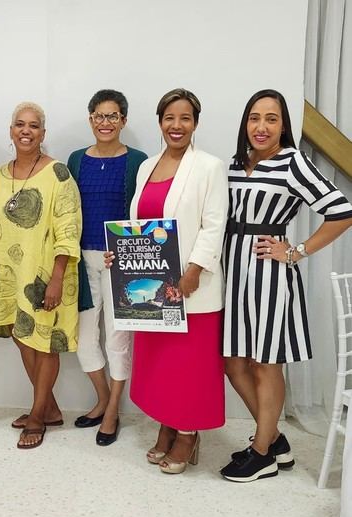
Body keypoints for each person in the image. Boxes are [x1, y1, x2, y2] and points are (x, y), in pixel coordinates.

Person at [220, 89, 352, 482]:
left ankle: (262, 453)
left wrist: (295, 251)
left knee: (264, 362)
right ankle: (273, 436)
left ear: (283, 125)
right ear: (245, 123)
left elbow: (341, 211)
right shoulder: (234, 163)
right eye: (254, 118)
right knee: (232, 361)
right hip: (233, 273)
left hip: (269, 274)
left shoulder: (292, 162)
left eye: (271, 119)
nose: (261, 127)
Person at [105, 88, 228, 473]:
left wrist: (193, 271)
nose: (177, 125)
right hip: (155, 293)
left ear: (195, 123)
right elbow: (141, 226)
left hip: (193, 288)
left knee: (190, 367)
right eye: (169, 118)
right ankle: (166, 424)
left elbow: (213, 225)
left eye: (185, 118)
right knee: (160, 366)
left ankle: (188, 434)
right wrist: (121, 255)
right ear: (159, 122)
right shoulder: (147, 167)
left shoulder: (209, 166)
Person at [0, 102, 82, 449]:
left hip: (45, 274)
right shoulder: (1, 173)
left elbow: (68, 229)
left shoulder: (58, 173)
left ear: (43, 133)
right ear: (10, 130)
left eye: (34, 126)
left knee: (45, 343)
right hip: (10, 274)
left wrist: (56, 278)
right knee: (22, 336)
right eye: (19, 124)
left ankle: (38, 414)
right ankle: (50, 407)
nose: (26, 131)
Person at [67, 89, 147, 446]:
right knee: (85, 342)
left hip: (122, 263)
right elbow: (67, 210)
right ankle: (101, 398)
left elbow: (144, 213)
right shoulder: (75, 160)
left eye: (113, 116)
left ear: (124, 121)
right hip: (83, 260)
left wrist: (131, 250)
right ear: (90, 119)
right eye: (99, 115)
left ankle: (113, 409)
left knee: (118, 341)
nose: (105, 122)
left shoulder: (139, 161)